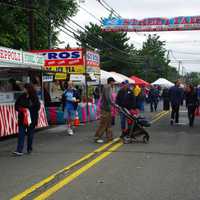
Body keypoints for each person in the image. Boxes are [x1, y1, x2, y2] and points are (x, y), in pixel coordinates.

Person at [13, 83, 41, 156]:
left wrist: (29, 109)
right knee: (21, 134)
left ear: (28, 89)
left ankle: (29, 149)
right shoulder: (21, 96)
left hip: (32, 119)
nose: (23, 89)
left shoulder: (34, 97)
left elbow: (38, 107)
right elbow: (16, 106)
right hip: (22, 118)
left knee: (30, 134)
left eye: (25, 88)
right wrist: (21, 109)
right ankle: (19, 150)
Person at [94, 77, 115, 143]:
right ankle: (97, 137)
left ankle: (110, 137)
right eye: (113, 82)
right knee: (103, 123)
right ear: (111, 82)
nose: (114, 83)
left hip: (107, 108)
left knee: (108, 123)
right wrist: (113, 104)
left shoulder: (108, 87)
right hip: (105, 108)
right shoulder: (107, 87)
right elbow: (108, 97)